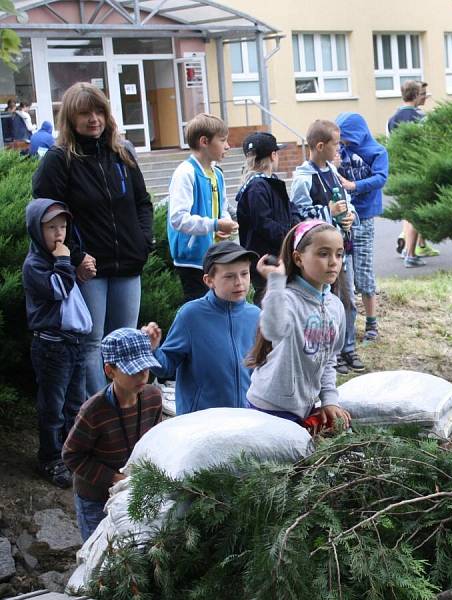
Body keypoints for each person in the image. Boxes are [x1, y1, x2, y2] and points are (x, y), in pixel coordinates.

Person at [32, 82, 154, 397]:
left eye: (99, 111)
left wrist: (143, 242)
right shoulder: (59, 160)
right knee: (92, 342)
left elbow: (142, 202)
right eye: (84, 113)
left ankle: (125, 412)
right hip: (89, 269)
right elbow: (48, 217)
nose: (93, 119)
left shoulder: (122, 153)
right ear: (71, 119)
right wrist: (74, 257)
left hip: (128, 263)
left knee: (124, 340)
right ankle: (99, 415)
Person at [247, 220, 352, 434]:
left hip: (304, 408)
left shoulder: (335, 307)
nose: (333, 262)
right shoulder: (287, 299)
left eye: (339, 254)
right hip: (269, 407)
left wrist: (329, 400)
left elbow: (329, 358)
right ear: (298, 258)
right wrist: (275, 282)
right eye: (323, 254)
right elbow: (273, 331)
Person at [62, 328, 162, 541]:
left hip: (132, 487)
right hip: (95, 496)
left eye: (146, 367)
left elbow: (155, 439)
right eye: (133, 370)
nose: (143, 375)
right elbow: (72, 455)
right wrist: (116, 479)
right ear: (110, 371)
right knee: (98, 548)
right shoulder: (93, 411)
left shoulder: (153, 397)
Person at [142, 241, 261, 415]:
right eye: (229, 276)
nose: (239, 282)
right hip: (201, 421)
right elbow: (166, 367)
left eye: (244, 274)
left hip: (246, 418)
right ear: (209, 280)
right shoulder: (190, 315)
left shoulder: (256, 316)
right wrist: (152, 350)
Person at [23, 200, 92, 488]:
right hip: (52, 347)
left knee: (75, 403)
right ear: (37, 231)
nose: (59, 234)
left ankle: (70, 452)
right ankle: (50, 458)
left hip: (73, 344)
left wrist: (80, 274)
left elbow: (70, 291)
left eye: (63, 226)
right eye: (51, 228)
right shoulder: (36, 264)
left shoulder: (58, 261)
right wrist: (66, 262)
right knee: (53, 405)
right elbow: (58, 290)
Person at [290, 119, 362, 374]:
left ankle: (348, 347)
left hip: (343, 246)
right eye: (336, 145)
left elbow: (345, 199)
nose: (339, 150)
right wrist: (327, 212)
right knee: (327, 300)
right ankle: (330, 351)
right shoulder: (303, 178)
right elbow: (300, 216)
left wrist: (350, 214)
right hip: (320, 253)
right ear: (320, 146)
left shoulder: (332, 170)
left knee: (348, 299)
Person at [167, 113, 238, 303]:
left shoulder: (217, 174)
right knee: (198, 313)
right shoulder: (185, 173)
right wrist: (215, 224)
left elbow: (221, 208)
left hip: (213, 257)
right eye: (223, 140)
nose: (228, 146)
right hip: (191, 261)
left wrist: (223, 224)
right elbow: (178, 219)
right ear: (204, 141)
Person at [335, 112, 388, 341]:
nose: (343, 142)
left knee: (364, 271)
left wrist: (353, 185)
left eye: (345, 137)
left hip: (364, 217)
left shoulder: (377, 152)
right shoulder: (341, 152)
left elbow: (380, 178)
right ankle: (345, 322)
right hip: (343, 218)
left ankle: (371, 323)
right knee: (342, 271)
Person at [235, 131, 300, 306]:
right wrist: (289, 237)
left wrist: (297, 227)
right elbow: (264, 224)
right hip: (265, 260)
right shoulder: (256, 187)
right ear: (273, 155)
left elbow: (290, 208)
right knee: (268, 302)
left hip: (279, 254)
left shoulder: (272, 181)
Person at [394, 81, 439, 261]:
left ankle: (412, 245)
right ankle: (410, 253)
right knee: (417, 210)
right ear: (416, 94)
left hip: (400, 168)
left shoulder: (392, 119)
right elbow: (427, 144)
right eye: (422, 94)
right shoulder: (421, 118)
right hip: (417, 168)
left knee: (408, 208)